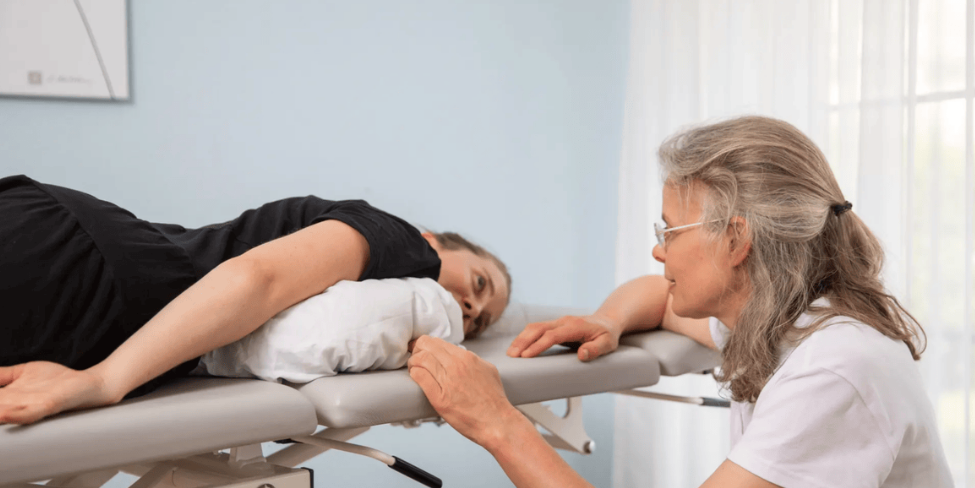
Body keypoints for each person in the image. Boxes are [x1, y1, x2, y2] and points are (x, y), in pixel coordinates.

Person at [407, 116, 954, 487]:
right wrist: (607, 320)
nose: (657, 249)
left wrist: (497, 423)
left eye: (670, 231)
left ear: (737, 240)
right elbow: (657, 300)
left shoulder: (833, 369)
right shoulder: (786, 319)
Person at [0, 174, 510, 425]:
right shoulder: (397, 239)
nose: (469, 308)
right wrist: (103, 381)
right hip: (93, 267)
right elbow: (258, 278)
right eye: (481, 284)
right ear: (436, 239)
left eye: (481, 320)